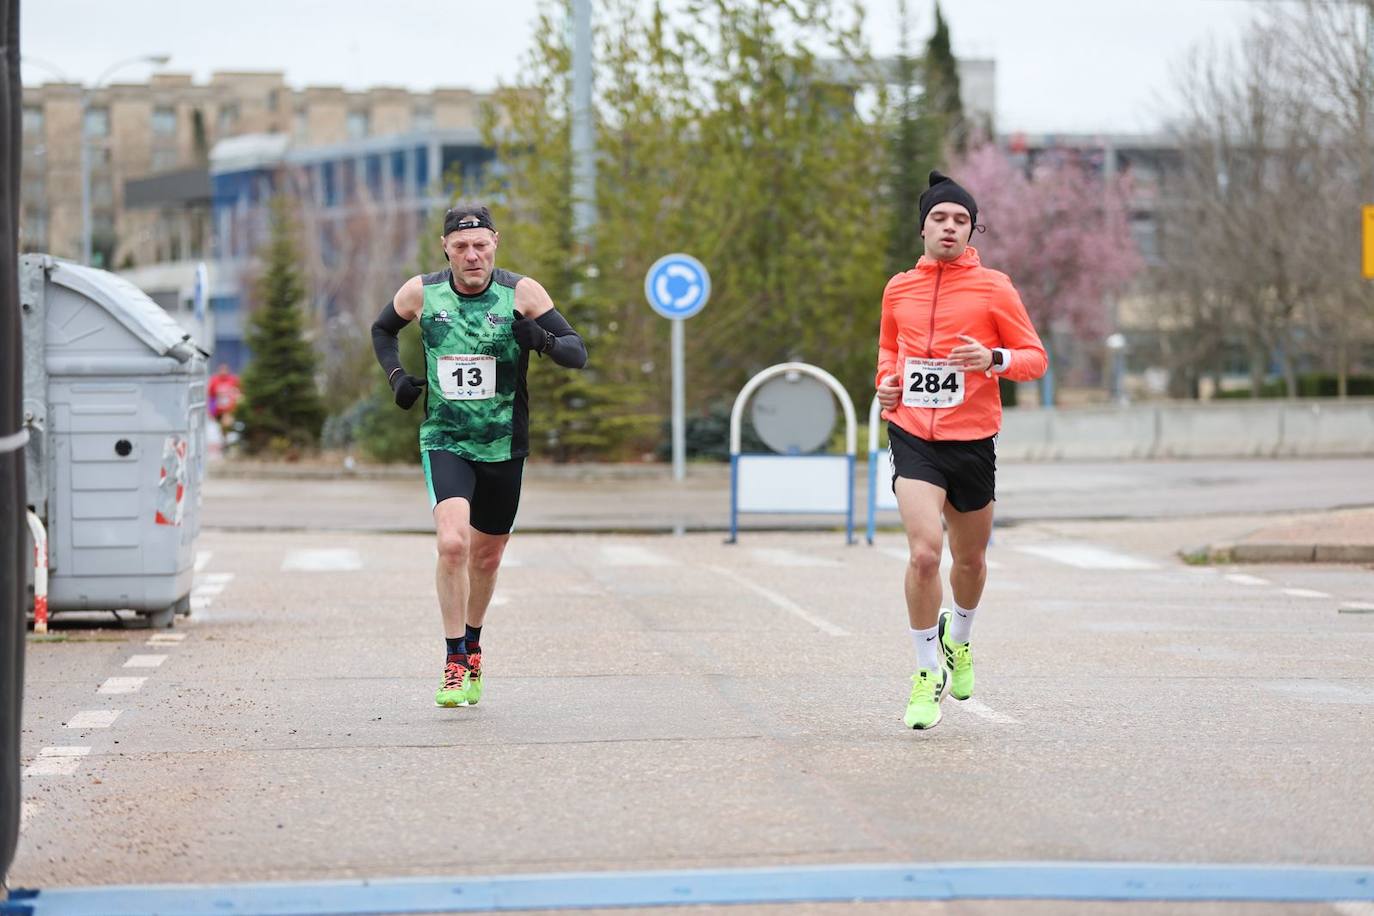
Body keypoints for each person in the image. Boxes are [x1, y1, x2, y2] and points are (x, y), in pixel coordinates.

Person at [371, 204, 587, 708]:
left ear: (495, 244)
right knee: (452, 545)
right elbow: (382, 330)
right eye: (462, 246)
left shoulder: (522, 293)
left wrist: (543, 338)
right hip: (445, 439)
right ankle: (452, 661)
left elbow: (577, 353)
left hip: (504, 444)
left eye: (481, 245)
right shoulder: (422, 292)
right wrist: (397, 378)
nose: (472, 255)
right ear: (445, 248)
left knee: (487, 557)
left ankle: (473, 644)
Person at [875, 171, 1047, 730]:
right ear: (922, 226)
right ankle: (926, 671)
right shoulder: (898, 287)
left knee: (968, 561)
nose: (950, 227)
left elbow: (1034, 359)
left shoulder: (994, 288)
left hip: (971, 440)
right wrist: (887, 384)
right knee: (925, 554)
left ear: (972, 231)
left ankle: (960, 637)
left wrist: (992, 360)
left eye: (961, 220)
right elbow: (887, 349)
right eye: (940, 218)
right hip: (912, 436)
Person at [206, 363, 241, 434]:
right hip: (218, 411)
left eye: (225, 370)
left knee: (228, 425)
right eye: (221, 370)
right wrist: (211, 411)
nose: (223, 372)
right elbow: (211, 397)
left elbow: (239, 393)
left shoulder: (233, 380)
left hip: (230, 410)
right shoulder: (214, 381)